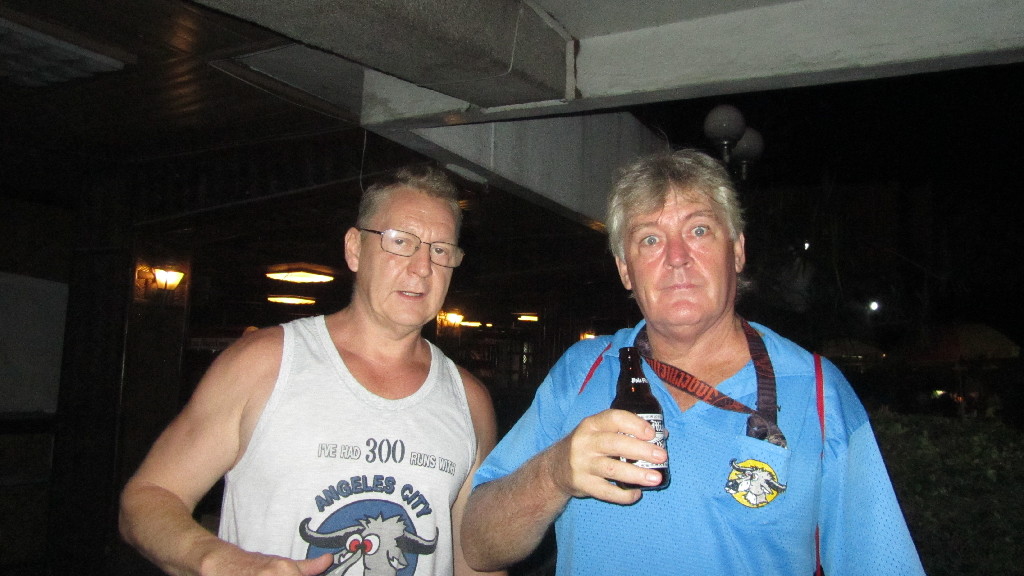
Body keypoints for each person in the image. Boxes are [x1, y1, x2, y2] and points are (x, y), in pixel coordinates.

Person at [462, 149, 925, 575]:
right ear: (625, 270)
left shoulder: (817, 390)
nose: (677, 258)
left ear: (737, 250)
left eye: (699, 230)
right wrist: (553, 473)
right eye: (650, 239)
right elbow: (477, 545)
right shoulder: (581, 371)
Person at [120, 164, 503, 576]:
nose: (422, 266)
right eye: (400, 242)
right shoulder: (264, 363)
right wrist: (218, 560)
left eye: (441, 250)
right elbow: (148, 497)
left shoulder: (469, 400)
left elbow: (476, 560)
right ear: (354, 249)